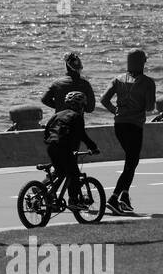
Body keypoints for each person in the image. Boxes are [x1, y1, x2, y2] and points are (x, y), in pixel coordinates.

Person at [101, 48, 157, 216]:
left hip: (119, 126)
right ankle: (114, 198)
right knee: (131, 164)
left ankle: (125, 197)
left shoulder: (117, 79)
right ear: (142, 62)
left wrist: (115, 111)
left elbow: (104, 99)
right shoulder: (148, 82)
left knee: (130, 162)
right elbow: (149, 107)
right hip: (135, 126)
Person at [42, 91, 99, 207]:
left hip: (51, 147)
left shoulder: (57, 115)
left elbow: (47, 130)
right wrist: (93, 147)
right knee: (74, 175)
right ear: (80, 105)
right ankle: (74, 201)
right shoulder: (77, 116)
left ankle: (42, 189)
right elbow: (82, 135)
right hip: (64, 149)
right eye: (83, 105)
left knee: (60, 172)